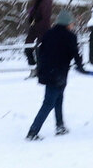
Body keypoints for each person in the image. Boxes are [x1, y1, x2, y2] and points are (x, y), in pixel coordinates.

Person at [26, 8, 85, 138]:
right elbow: (75, 53)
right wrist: (81, 67)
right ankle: (33, 131)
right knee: (49, 103)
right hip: (58, 73)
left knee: (58, 98)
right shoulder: (70, 36)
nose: (73, 25)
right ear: (67, 23)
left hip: (47, 71)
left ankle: (60, 126)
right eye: (72, 23)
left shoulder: (48, 34)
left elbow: (40, 52)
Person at [24, 0, 55, 70]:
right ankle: (35, 67)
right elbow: (36, 14)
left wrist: (35, 17)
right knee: (28, 47)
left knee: (39, 49)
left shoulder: (45, 2)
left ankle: (39, 68)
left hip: (42, 29)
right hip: (35, 27)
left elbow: (44, 17)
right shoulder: (38, 1)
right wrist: (32, 16)